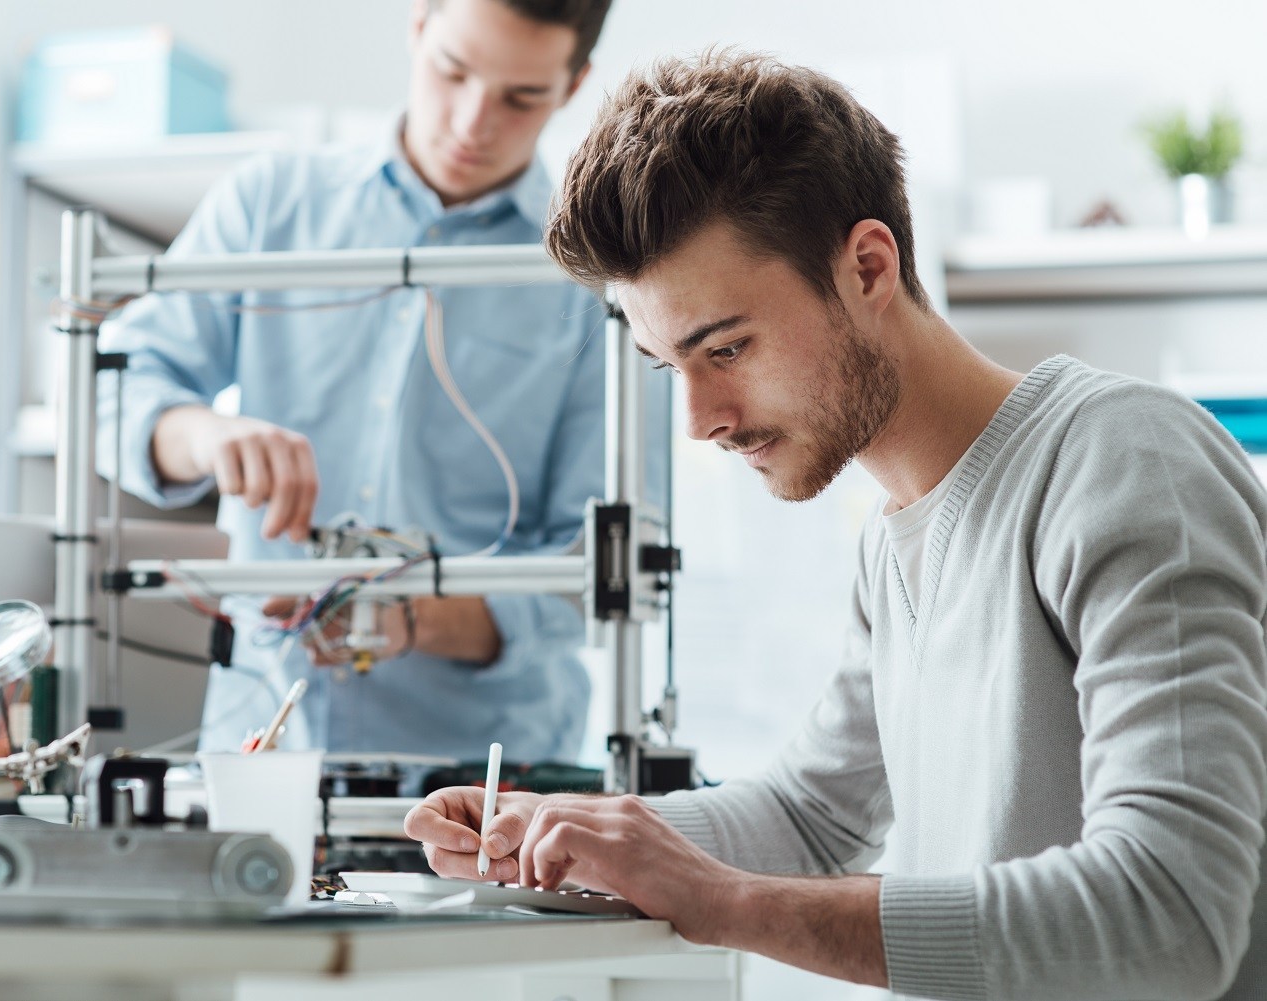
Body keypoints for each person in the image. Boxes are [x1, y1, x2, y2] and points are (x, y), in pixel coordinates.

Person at [406, 50, 1267, 1000]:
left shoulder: (1124, 461)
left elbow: (1174, 916)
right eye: (668, 367)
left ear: (867, 266)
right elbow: (815, 814)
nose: (700, 419)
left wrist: (722, 899)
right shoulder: (894, 533)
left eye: (726, 347)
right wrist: (572, 826)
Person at [97, 0, 616, 762]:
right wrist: (206, 435)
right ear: (416, 29)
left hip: (489, 776)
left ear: (574, 86)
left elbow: (603, 564)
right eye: (453, 71)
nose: (473, 122)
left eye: (521, 97)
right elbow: (113, 391)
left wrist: (412, 619)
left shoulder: (596, 279)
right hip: (260, 745)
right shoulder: (271, 205)